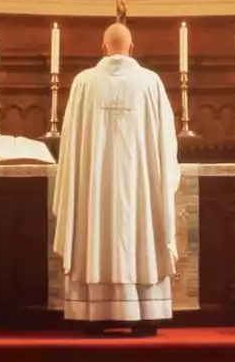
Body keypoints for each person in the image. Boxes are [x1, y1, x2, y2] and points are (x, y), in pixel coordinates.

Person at [52, 23, 181, 337]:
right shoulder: (150, 83)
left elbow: (69, 144)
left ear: (103, 46)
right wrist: (166, 179)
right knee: (141, 231)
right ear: (132, 47)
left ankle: (94, 313)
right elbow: (167, 141)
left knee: (95, 229)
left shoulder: (84, 83)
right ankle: (145, 314)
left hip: (94, 186)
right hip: (141, 184)